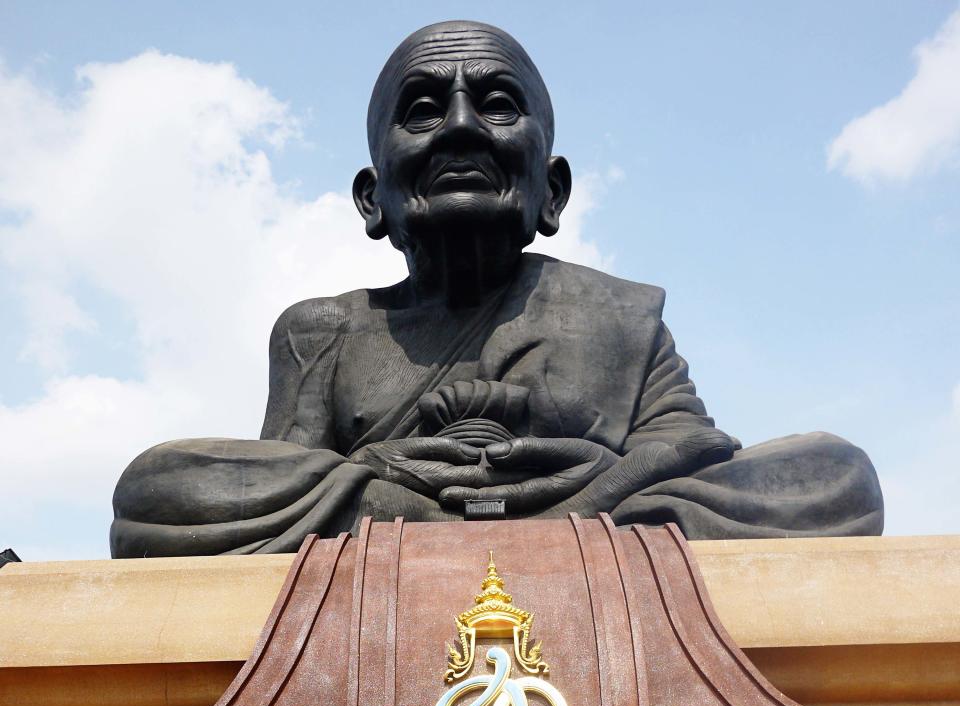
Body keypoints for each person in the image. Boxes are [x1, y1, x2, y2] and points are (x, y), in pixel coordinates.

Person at [110, 20, 883, 557]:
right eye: (421, 109)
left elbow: (693, 458)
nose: (459, 127)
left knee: (833, 477)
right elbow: (281, 497)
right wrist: (409, 482)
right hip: (569, 522)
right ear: (372, 198)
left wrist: (544, 483)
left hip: (554, 515)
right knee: (158, 488)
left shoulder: (621, 316)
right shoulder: (320, 330)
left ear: (551, 190)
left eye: (497, 104)